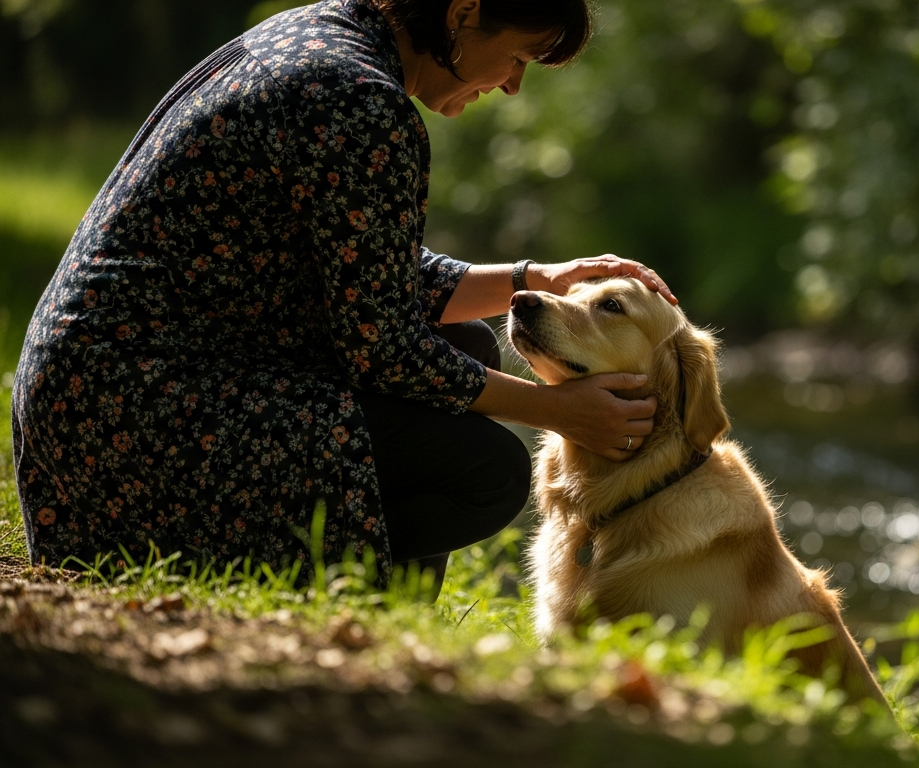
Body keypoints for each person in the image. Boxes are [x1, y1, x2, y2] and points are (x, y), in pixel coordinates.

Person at [10, 0, 674, 598]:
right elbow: (384, 350)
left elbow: (366, 268)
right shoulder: (359, 102)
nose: (511, 84)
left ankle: (375, 602)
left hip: (91, 393)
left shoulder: (324, 38)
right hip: (136, 417)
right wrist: (558, 410)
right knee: (486, 469)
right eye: (518, 57)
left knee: (466, 343)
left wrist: (535, 276)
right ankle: (350, 603)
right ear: (464, 13)